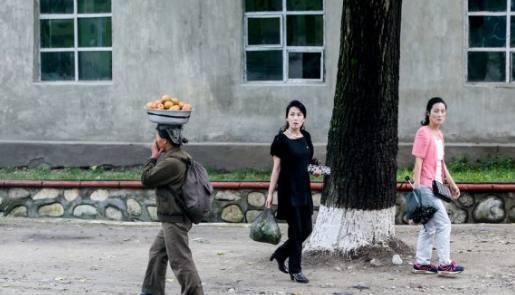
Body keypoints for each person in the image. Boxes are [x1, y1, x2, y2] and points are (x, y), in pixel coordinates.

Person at [139, 124, 204, 295]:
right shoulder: (179, 157)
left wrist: (153, 157)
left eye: (157, 136)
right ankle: (151, 291)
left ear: (164, 140)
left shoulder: (172, 163)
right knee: (157, 252)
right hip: (173, 217)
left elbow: (146, 179)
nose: (155, 139)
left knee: (180, 261)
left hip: (174, 219)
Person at [265, 100, 321, 284]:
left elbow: (308, 162)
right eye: (292, 114)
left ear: (304, 118)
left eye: (299, 114)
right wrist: (270, 193)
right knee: (296, 231)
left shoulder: (306, 137)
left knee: (307, 229)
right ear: (287, 117)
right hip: (289, 191)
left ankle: (281, 254)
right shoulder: (280, 139)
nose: (295, 118)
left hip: (304, 189)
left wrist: (316, 169)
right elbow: (276, 169)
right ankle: (296, 270)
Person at [411, 97, 464, 277]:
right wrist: (417, 187)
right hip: (425, 186)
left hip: (435, 185)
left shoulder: (439, 135)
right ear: (428, 113)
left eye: (442, 111)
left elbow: (441, 162)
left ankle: (422, 263)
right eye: (436, 111)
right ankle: (444, 264)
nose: (439, 114)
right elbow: (418, 161)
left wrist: (451, 182)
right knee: (444, 224)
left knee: (430, 227)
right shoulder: (423, 133)